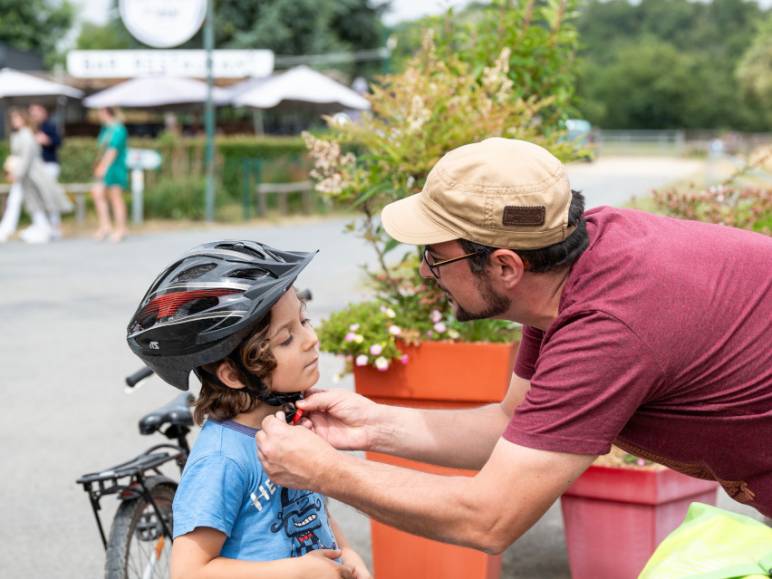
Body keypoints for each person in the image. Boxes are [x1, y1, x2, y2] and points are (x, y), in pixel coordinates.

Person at [256, 137, 772, 555]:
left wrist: (327, 474)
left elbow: (489, 518)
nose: (424, 270)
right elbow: (512, 423)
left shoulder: (608, 326)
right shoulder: (572, 266)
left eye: (436, 257)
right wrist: (375, 426)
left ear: (505, 266)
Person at [126, 241, 371, 579]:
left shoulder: (288, 426)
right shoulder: (223, 460)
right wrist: (297, 572)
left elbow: (311, 507)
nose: (310, 339)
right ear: (233, 374)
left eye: (304, 321)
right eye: (286, 338)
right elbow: (190, 572)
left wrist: (346, 552)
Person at [0, 108, 71, 243]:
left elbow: (27, 157)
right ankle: (41, 227)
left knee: (38, 200)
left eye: (17, 118)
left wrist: (17, 173)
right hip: (25, 174)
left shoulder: (26, 134)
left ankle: (47, 228)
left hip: (30, 174)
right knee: (27, 202)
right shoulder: (20, 134)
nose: (14, 121)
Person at [92, 106, 128, 242]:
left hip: (114, 167)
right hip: (104, 165)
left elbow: (113, 150)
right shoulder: (105, 129)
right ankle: (105, 226)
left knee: (115, 197)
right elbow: (101, 148)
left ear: (106, 112)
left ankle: (121, 228)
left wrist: (103, 167)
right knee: (97, 193)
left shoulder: (118, 129)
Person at [28, 103, 64, 238]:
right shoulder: (30, 128)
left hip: (49, 164)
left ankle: (55, 226)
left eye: (36, 112)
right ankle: (41, 226)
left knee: (49, 196)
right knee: (37, 197)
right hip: (35, 166)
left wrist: (46, 140)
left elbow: (58, 142)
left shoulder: (50, 126)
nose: (34, 116)